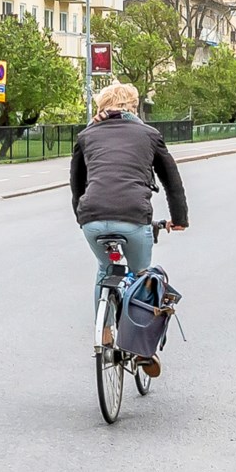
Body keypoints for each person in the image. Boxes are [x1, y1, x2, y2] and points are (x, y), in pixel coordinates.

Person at [70, 83, 188, 372]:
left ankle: (105, 333)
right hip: (134, 216)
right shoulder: (149, 135)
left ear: (100, 107)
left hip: (92, 219)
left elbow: (77, 185)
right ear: (134, 107)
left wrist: (84, 217)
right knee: (140, 277)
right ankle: (141, 347)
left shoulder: (86, 136)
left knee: (105, 269)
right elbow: (172, 180)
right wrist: (179, 218)